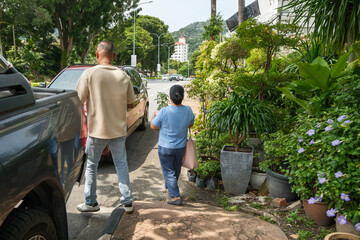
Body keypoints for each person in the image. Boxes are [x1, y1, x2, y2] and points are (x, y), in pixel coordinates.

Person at [75, 40, 135, 213]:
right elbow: (130, 104)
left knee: (92, 165)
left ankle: (91, 203)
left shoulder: (89, 74)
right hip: (118, 130)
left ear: (97, 54)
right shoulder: (123, 75)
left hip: (97, 130)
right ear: (114, 56)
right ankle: (127, 201)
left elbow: (78, 101)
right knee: (121, 164)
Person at [150, 85, 195, 206]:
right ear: (182, 97)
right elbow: (190, 125)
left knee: (169, 171)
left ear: (170, 98)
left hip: (165, 147)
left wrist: (154, 116)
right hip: (180, 147)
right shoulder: (188, 110)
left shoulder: (164, 111)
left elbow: (153, 126)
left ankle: (176, 196)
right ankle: (170, 185)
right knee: (176, 169)